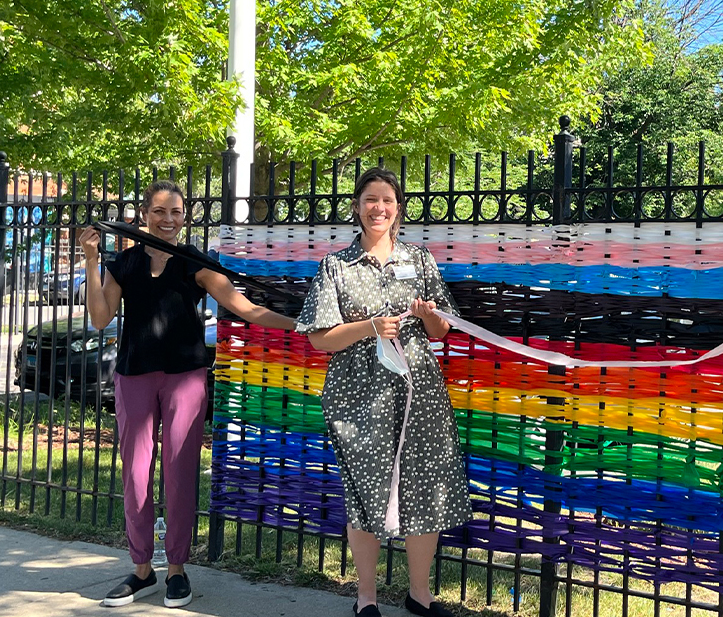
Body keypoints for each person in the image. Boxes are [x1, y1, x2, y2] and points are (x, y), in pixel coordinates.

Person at [78, 180, 297, 608]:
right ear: (144, 215)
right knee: (136, 474)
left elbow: (245, 308)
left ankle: (177, 569)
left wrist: (302, 325)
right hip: (134, 375)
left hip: (186, 377)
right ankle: (142, 569)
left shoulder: (195, 262)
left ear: (185, 217)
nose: (168, 219)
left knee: (179, 474)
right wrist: (90, 261)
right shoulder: (124, 262)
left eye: (176, 212)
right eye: (159, 211)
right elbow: (101, 318)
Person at [296, 168, 471, 617]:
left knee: (425, 486)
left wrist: (429, 315)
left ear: (398, 208)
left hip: (418, 391)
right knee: (365, 491)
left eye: (388, 200)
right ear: (357, 207)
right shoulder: (336, 265)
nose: (379, 208)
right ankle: (366, 598)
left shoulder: (420, 259)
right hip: (359, 394)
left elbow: (442, 329)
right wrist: (370, 327)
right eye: (370, 199)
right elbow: (319, 337)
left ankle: (419, 595)